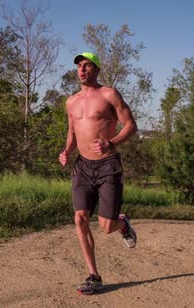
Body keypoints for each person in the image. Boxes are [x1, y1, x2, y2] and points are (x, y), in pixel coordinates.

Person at [58, 52, 138, 295]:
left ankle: (121, 223)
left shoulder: (109, 94)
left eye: (87, 65)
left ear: (97, 69)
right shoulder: (70, 101)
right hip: (83, 166)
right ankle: (94, 276)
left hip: (108, 166)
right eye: (79, 66)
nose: (82, 69)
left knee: (105, 226)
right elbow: (72, 132)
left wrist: (111, 144)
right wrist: (66, 151)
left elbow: (131, 126)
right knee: (80, 218)